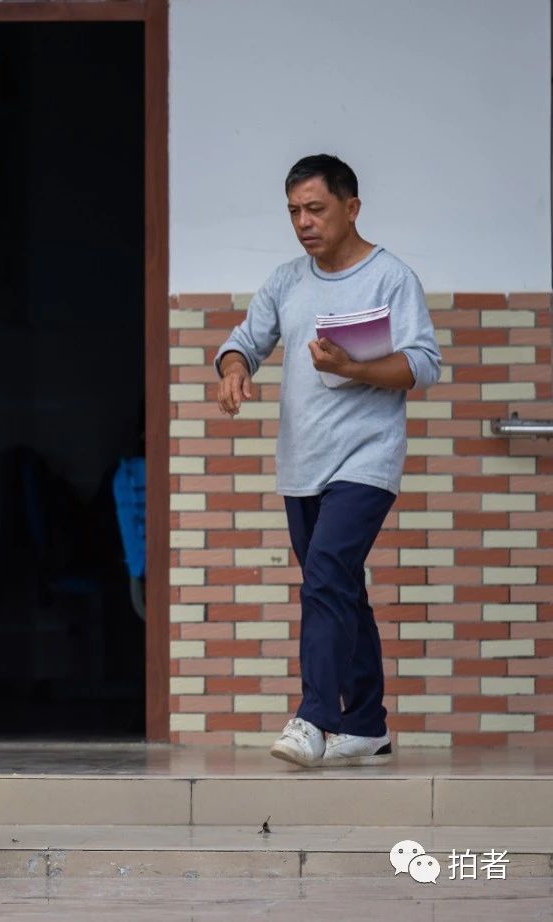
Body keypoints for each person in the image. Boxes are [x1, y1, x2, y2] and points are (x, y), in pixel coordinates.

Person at [213, 154, 441, 769]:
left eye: (316, 209)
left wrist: (355, 368)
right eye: (294, 211)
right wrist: (234, 370)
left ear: (351, 207)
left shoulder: (391, 277)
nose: (304, 222)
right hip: (302, 462)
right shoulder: (287, 280)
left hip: (366, 461)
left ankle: (315, 716)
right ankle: (367, 725)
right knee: (341, 588)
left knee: (325, 578)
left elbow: (422, 363)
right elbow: (243, 342)